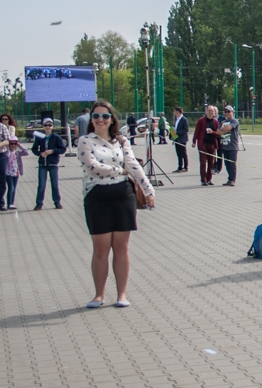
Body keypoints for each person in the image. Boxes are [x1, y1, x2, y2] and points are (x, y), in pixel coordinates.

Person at [77, 100, 155, 308]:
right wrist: (120, 171)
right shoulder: (85, 141)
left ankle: (121, 294)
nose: (100, 120)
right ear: (91, 120)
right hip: (97, 195)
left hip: (123, 195)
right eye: (96, 116)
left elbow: (133, 165)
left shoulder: (121, 141)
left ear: (112, 119)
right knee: (101, 248)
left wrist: (148, 190)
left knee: (121, 247)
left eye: (105, 116)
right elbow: (93, 167)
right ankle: (99, 295)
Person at [32, 116, 66, 210]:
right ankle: (39, 203)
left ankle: (57, 202)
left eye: (49, 125)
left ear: (52, 126)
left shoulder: (56, 137)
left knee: (54, 184)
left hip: (53, 164)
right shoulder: (40, 136)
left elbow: (63, 149)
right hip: (43, 164)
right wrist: (40, 153)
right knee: (41, 184)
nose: (47, 127)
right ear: (43, 126)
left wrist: (52, 151)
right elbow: (34, 149)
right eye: (46, 125)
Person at [0, 113, 29, 210]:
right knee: (10, 188)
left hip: (16, 172)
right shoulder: (6, 152)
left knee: (14, 188)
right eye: (11, 143)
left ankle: (12, 202)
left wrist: (19, 145)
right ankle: (9, 203)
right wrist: (6, 144)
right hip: (8, 172)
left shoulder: (17, 152)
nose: (13, 145)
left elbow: (26, 152)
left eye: (14, 143)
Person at [192, 105, 220, 185]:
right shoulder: (201, 120)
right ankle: (203, 180)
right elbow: (197, 131)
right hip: (203, 144)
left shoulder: (215, 121)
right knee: (203, 163)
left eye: (212, 111)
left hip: (212, 144)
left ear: (214, 112)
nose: (210, 112)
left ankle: (209, 179)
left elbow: (217, 133)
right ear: (206, 111)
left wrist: (212, 132)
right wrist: (194, 141)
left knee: (211, 163)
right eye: (209, 111)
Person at [218, 105, 241, 185]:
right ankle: (229, 178)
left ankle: (232, 180)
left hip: (232, 146)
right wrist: (222, 130)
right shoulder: (223, 122)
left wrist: (222, 130)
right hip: (224, 145)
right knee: (227, 164)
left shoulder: (235, 121)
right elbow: (218, 132)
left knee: (232, 163)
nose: (227, 113)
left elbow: (228, 128)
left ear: (232, 112)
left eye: (229, 111)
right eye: (226, 112)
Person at [172, 107, 189, 171]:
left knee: (183, 153)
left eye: (175, 111)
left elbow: (186, 129)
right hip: (176, 139)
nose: (174, 113)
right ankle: (180, 167)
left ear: (178, 112)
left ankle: (186, 167)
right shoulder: (176, 119)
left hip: (182, 139)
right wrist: (173, 136)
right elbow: (174, 128)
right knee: (178, 154)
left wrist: (177, 132)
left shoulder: (184, 119)